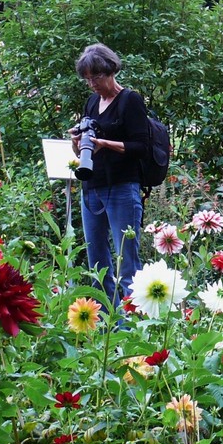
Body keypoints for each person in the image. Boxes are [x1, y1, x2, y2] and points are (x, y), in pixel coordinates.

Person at [71, 43, 149, 308]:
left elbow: (142, 146)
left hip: (122, 189)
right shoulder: (92, 102)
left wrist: (105, 144)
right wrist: (78, 142)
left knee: (127, 261)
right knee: (97, 263)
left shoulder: (130, 100)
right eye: (87, 78)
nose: (91, 83)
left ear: (111, 70)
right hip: (91, 188)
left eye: (96, 77)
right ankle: (105, 325)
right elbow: (86, 145)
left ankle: (131, 328)